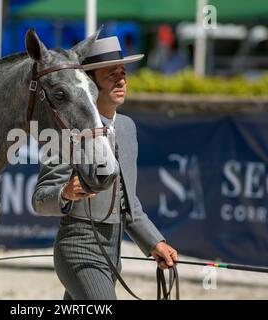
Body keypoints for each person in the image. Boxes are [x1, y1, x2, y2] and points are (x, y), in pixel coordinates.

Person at [32, 36, 178, 300]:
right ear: (90, 83)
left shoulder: (127, 128)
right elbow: (40, 200)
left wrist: (155, 242)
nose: (121, 80)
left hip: (113, 253)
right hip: (78, 250)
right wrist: (64, 193)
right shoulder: (67, 131)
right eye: (111, 75)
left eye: (123, 73)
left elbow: (129, 204)